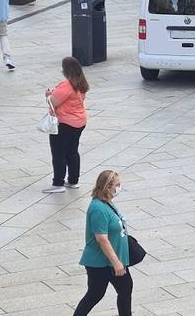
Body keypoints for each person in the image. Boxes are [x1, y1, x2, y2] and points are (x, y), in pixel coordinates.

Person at [74, 170, 132, 316]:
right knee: (95, 294)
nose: (120, 187)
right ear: (107, 187)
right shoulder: (98, 208)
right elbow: (102, 239)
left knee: (125, 289)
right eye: (117, 185)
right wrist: (116, 262)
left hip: (114, 260)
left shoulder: (107, 203)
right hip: (102, 262)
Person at [43, 57, 89, 194]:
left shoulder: (67, 85)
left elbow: (53, 102)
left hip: (65, 123)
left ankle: (58, 183)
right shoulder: (81, 84)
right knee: (72, 151)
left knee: (58, 153)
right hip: (79, 122)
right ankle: (73, 180)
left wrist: (48, 95)